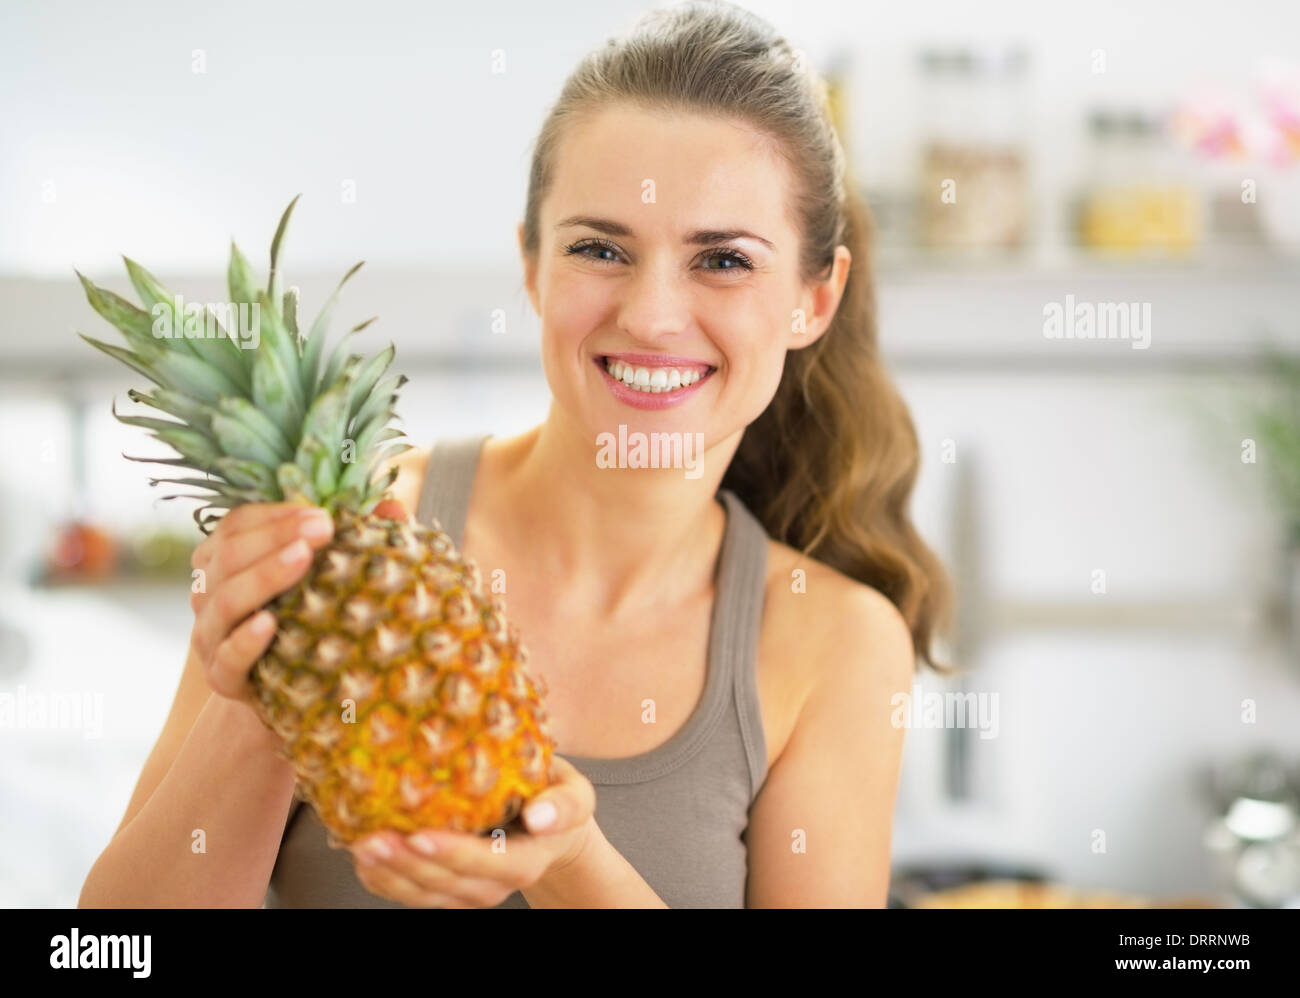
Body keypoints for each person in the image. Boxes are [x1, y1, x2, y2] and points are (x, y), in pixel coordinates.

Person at [79, 0, 950, 909]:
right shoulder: (343, 538)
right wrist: (255, 698)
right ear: (531, 266)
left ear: (816, 296)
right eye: (600, 248)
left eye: (724, 260)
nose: (651, 316)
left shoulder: (836, 643)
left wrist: (572, 860)